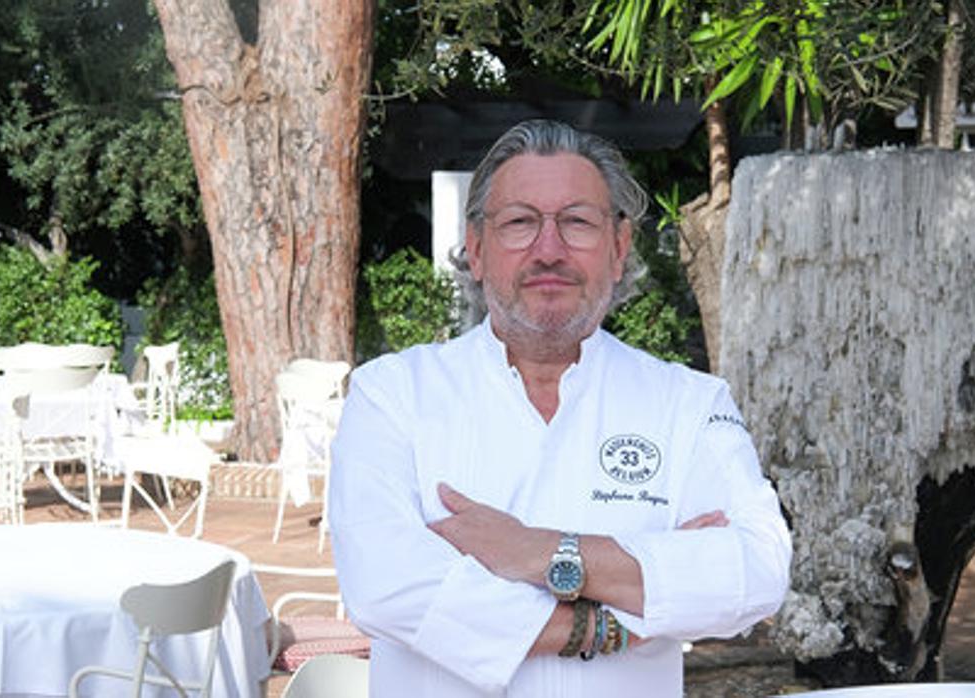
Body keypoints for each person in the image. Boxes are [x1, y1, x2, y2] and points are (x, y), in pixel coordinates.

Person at [326, 119, 791, 697]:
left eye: (577, 222)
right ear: (475, 248)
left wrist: (538, 551)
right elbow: (385, 586)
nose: (550, 249)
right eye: (521, 222)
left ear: (619, 248)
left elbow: (756, 570)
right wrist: (606, 618)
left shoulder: (689, 404)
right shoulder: (391, 395)